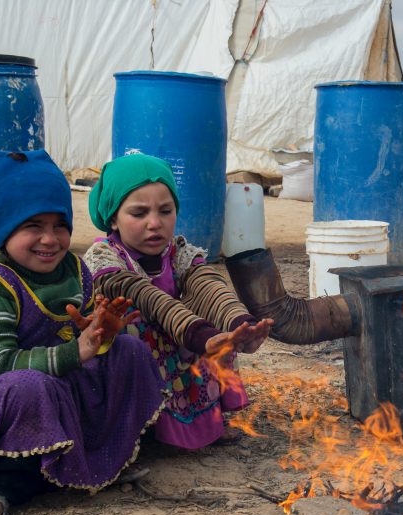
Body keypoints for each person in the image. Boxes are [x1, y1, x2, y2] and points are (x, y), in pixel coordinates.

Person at [0, 147, 165, 515]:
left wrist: (105, 334)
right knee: (29, 387)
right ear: (4, 229)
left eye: (59, 225)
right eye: (32, 226)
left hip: (67, 388)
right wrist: (78, 351)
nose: (49, 239)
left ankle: (103, 459)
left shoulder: (74, 269)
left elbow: (87, 340)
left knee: (130, 350)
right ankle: (3, 484)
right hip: (9, 400)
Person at [83, 153, 272, 450]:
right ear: (113, 220)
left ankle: (204, 421)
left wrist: (240, 325)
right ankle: (147, 427)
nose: (155, 223)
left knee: (212, 322)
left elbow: (206, 284)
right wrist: (198, 334)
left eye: (166, 211)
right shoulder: (104, 260)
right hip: (124, 356)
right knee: (139, 323)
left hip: (179, 333)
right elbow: (148, 298)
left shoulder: (177, 252)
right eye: (139, 213)